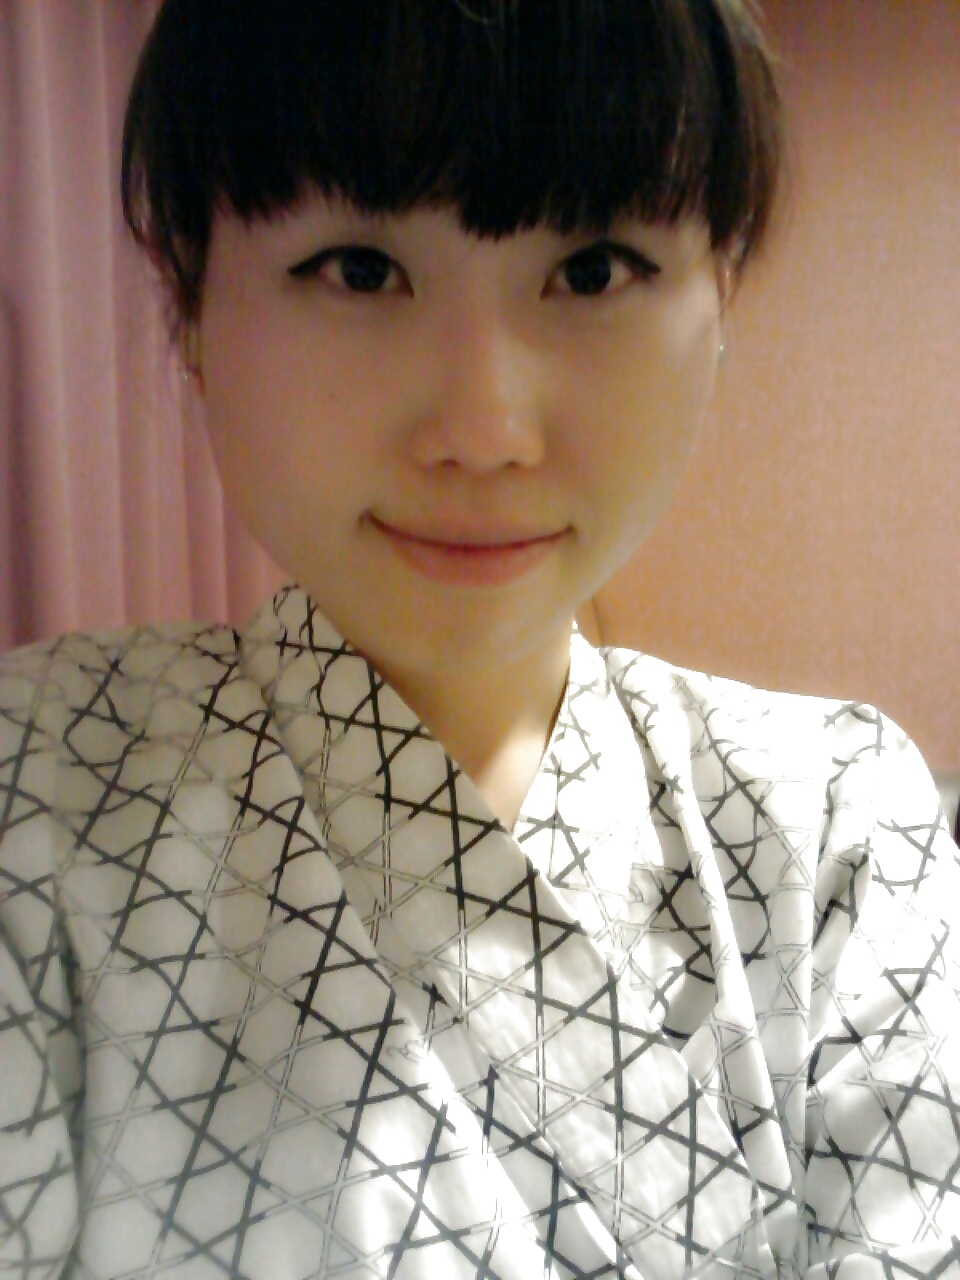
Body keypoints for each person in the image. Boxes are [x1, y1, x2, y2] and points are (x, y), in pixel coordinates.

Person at [1, 1, 958, 1276]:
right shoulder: (31, 796)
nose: (484, 429)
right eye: (358, 268)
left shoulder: (843, 820)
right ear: (189, 293)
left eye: (593, 269)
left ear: (721, 289)